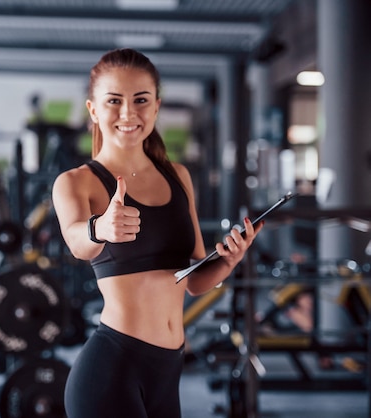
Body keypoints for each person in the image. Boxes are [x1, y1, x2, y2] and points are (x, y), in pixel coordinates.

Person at [51, 48, 264, 418]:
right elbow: (77, 244)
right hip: (111, 370)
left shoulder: (178, 176)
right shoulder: (76, 182)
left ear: (157, 106)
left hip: (169, 370)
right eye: (114, 101)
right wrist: (100, 228)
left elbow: (196, 281)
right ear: (93, 110)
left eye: (141, 100)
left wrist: (229, 260)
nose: (129, 113)